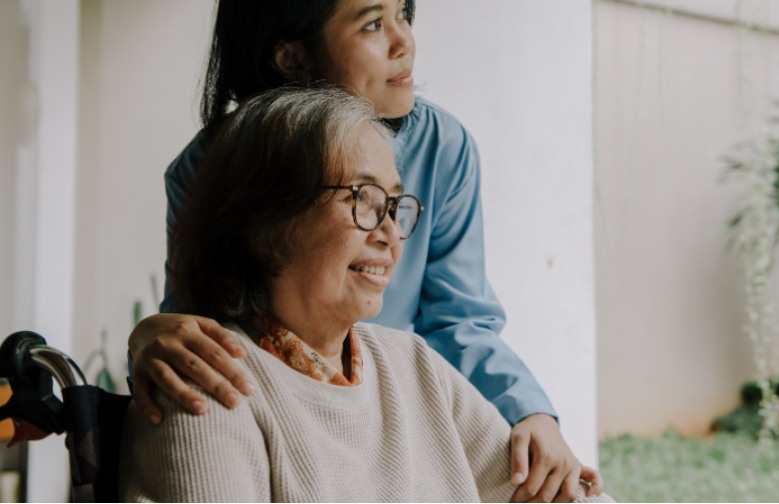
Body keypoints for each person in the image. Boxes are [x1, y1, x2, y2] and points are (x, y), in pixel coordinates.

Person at [126, 0, 602, 502]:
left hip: (396, 412)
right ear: (294, 60)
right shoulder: (207, 171)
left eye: (403, 14)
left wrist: (530, 414)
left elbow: (460, 320)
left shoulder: (440, 150)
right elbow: (203, 324)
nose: (406, 43)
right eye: (374, 24)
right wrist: (150, 335)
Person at [120, 87, 612, 504]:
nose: (391, 235)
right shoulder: (207, 383)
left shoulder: (412, 366)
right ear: (266, 220)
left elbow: (548, 495)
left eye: (393, 205)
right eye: (363, 199)